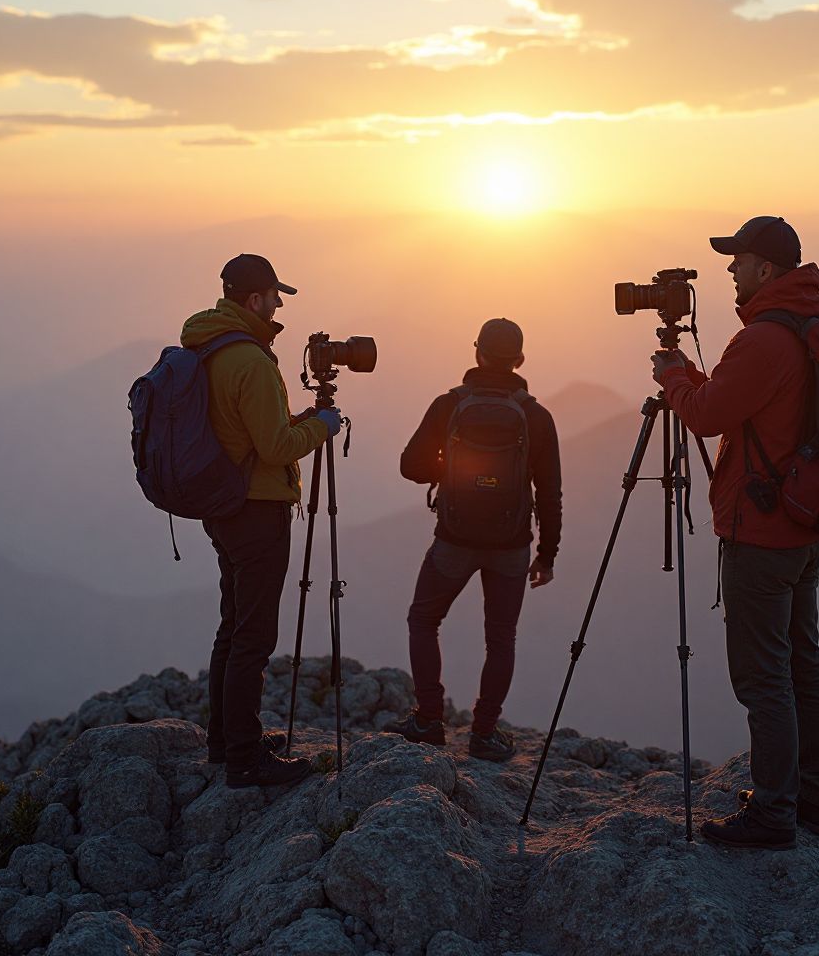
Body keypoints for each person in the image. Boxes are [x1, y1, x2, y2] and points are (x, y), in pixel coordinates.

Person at [651, 216, 819, 850]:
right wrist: (697, 383)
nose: (729, 271)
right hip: (806, 525)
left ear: (766, 270)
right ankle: (815, 800)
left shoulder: (763, 340)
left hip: (762, 535)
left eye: (739, 261)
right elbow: (742, 406)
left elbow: (705, 416)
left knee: (764, 678)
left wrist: (673, 375)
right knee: (804, 665)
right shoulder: (809, 325)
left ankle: (774, 814)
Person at [180, 254, 341, 789]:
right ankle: (246, 761)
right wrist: (322, 426)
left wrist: (298, 422)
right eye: (274, 296)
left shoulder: (211, 344)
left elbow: (245, 431)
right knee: (254, 636)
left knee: (232, 627)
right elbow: (274, 448)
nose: (278, 305)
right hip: (256, 510)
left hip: (223, 506)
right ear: (253, 300)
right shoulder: (249, 359)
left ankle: (227, 742)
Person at [385, 318, 562, 762]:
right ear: (520, 359)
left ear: (477, 352)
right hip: (512, 544)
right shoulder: (536, 416)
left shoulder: (449, 405)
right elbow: (550, 491)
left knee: (424, 619)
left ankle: (428, 720)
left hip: (455, 538)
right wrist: (547, 554)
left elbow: (411, 465)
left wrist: (451, 470)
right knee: (501, 638)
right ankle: (483, 734)